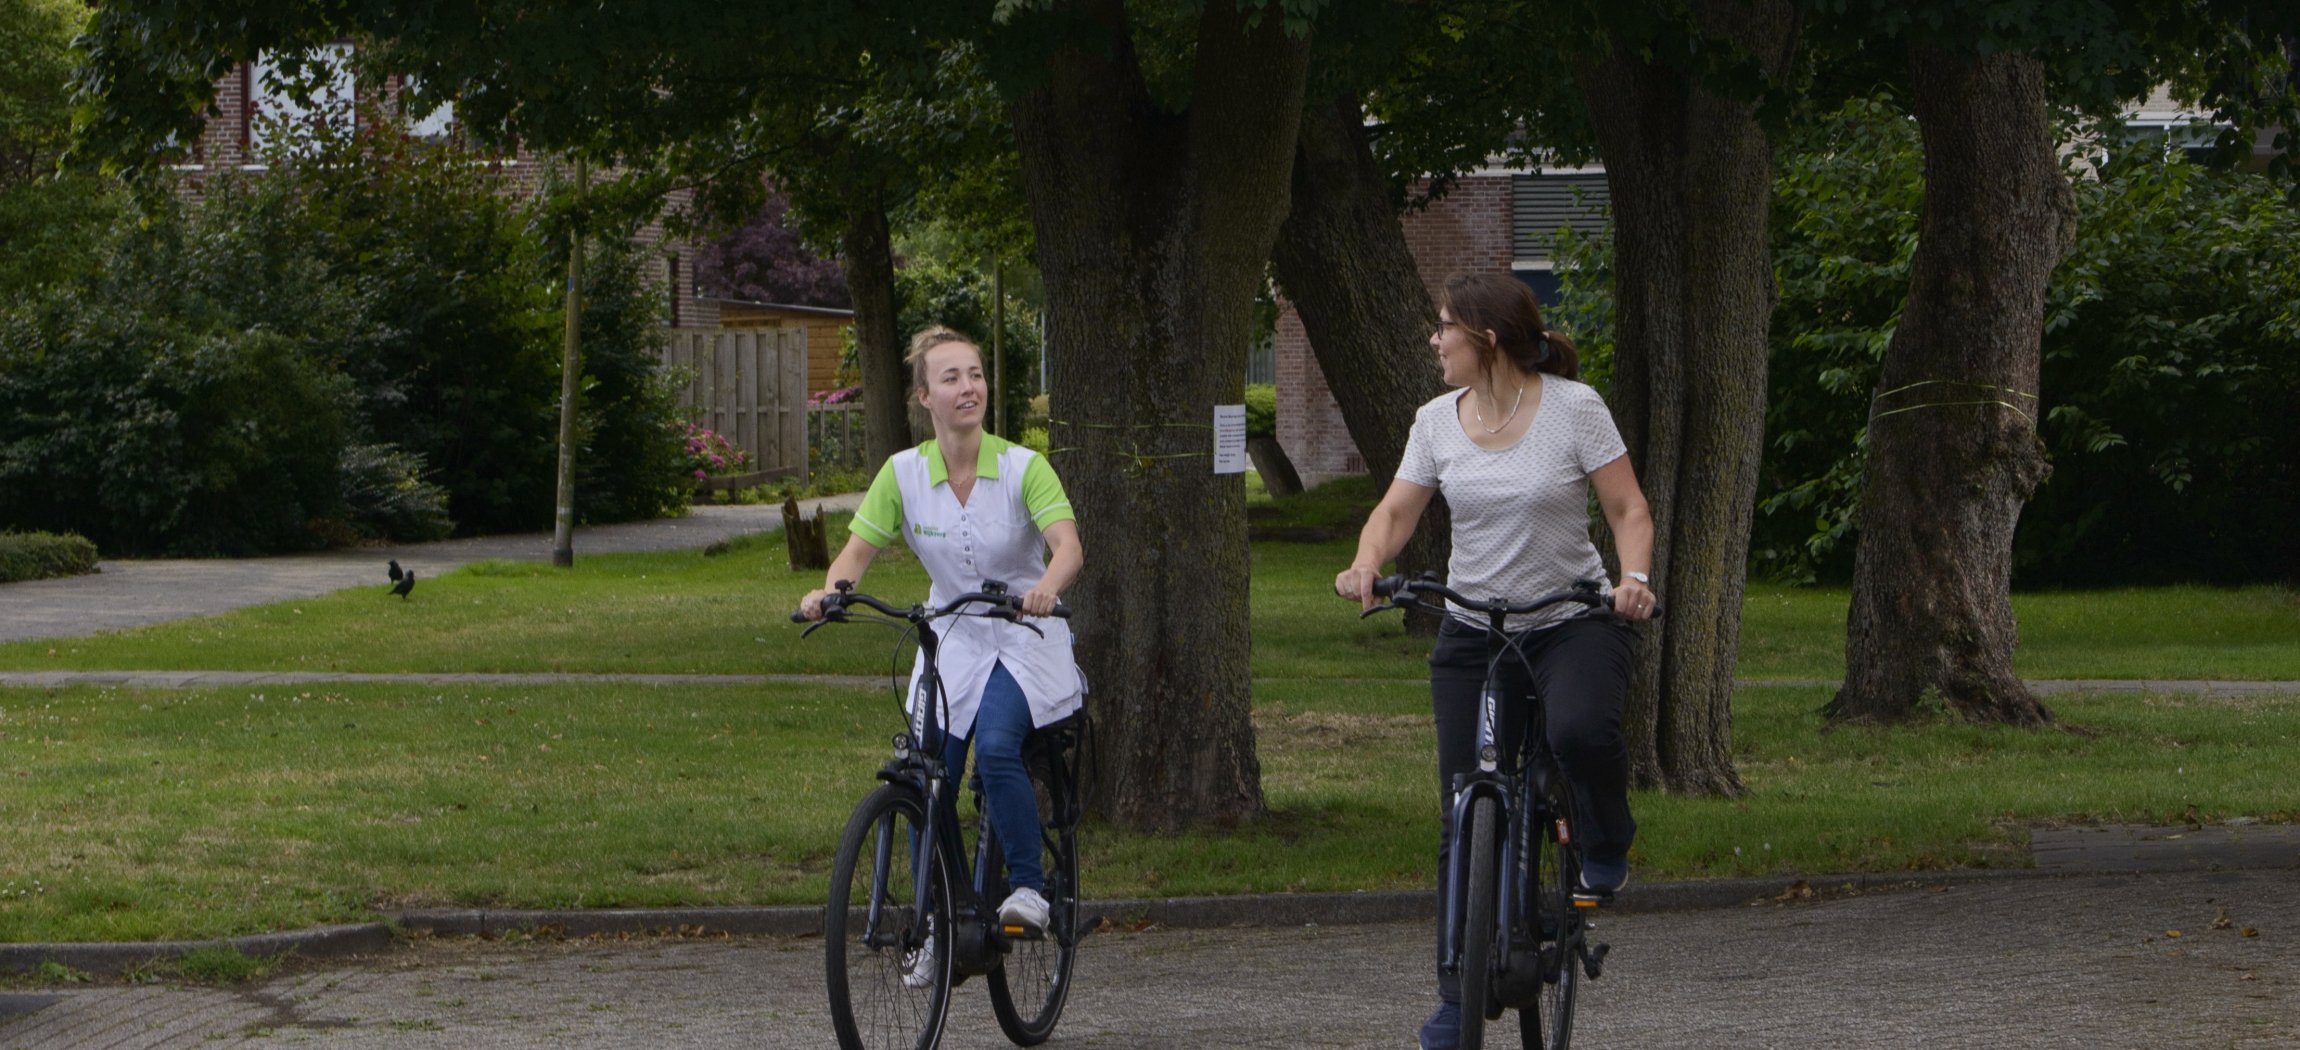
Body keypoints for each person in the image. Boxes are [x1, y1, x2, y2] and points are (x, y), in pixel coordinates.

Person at [1331, 273, 1656, 1050]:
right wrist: (1365, 562)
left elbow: (1627, 509)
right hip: (1475, 629)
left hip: (1571, 619)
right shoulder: (1435, 422)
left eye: (1443, 328)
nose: (1433, 341)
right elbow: (1398, 510)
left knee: (1579, 734)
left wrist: (1634, 579)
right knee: (1463, 803)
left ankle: (1605, 842)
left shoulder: (1574, 409)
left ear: (1486, 338)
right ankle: (1456, 994)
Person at [799, 326, 1084, 977]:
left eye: (976, 375)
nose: (969, 388)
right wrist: (832, 592)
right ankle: (939, 920)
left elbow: (1067, 546)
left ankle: (1028, 888)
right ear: (924, 395)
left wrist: (1044, 588)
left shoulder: (1022, 467)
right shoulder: (902, 473)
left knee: (1001, 743)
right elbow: (858, 551)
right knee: (930, 776)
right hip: (951, 635)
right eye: (952, 378)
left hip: (1024, 633)